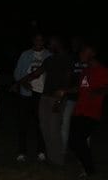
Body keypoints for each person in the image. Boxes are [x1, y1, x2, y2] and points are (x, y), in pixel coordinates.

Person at [65, 43, 108, 177]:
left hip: (91, 112)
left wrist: (98, 91)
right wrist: (65, 91)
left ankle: (89, 170)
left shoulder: (102, 71)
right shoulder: (85, 71)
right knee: (73, 142)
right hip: (79, 111)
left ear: (92, 53)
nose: (80, 54)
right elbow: (80, 89)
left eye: (83, 52)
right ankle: (87, 167)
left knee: (78, 140)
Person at [35, 37, 75, 166]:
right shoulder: (49, 60)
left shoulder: (67, 59)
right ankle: (51, 157)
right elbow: (37, 72)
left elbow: (68, 78)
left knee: (54, 129)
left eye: (52, 43)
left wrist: (61, 96)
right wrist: (21, 81)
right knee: (44, 127)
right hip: (45, 97)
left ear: (59, 44)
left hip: (56, 97)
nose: (50, 45)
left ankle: (58, 160)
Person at [12, 33, 49, 162]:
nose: (39, 41)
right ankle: (22, 152)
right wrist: (23, 83)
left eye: (41, 39)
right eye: (36, 39)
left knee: (41, 124)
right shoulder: (25, 54)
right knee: (23, 123)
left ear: (44, 41)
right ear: (33, 41)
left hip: (42, 94)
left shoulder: (48, 55)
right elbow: (17, 73)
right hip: (26, 93)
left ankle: (41, 151)